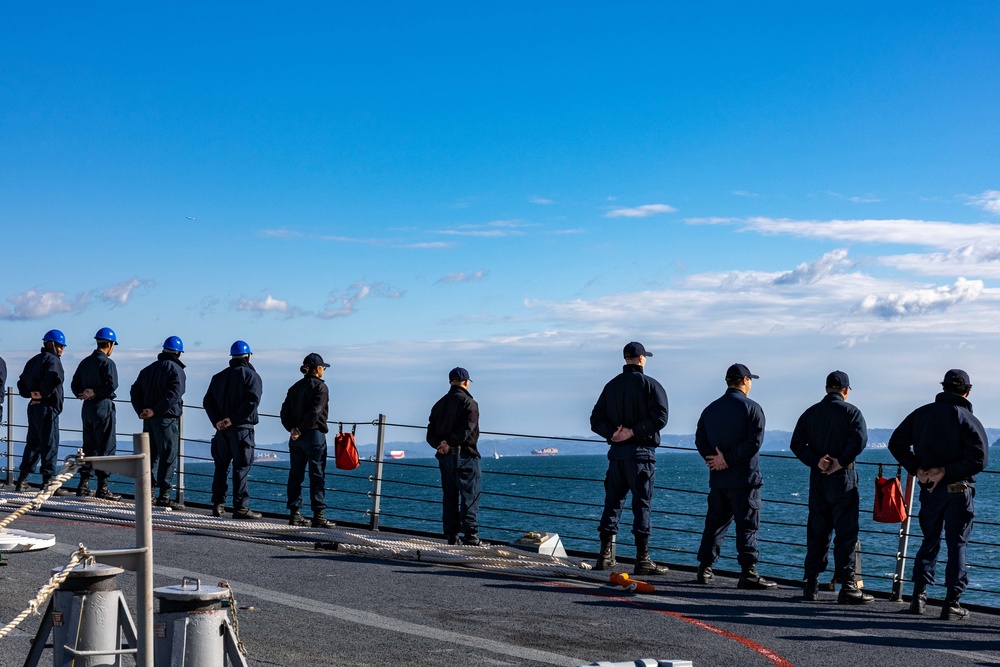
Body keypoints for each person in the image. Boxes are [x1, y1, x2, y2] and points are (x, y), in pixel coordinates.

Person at [888, 369, 989, 621]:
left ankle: (918, 597)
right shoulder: (967, 418)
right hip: (958, 489)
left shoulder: (921, 414)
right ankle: (951, 603)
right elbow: (980, 458)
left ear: (943, 388)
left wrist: (918, 469)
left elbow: (896, 443)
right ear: (967, 391)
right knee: (957, 544)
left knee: (929, 539)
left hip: (930, 489)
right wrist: (947, 471)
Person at [789, 370, 872, 604]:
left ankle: (811, 584)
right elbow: (860, 440)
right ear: (846, 390)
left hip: (818, 478)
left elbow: (796, 444)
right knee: (846, 533)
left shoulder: (810, 413)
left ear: (826, 389)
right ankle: (847, 586)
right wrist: (841, 461)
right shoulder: (852, 412)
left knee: (817, 531)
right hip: (843, 478)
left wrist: (816, 460)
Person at [590, 341, 669, 575]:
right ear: (642, 358)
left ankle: (604, 556)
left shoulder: (611, 386)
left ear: (626, 359)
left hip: (617, 455)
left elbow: (595, 420)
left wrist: (614, 433)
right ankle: (642, 559)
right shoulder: (651, 385)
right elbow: (661, 418)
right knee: (641, 504)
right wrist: (633, 432)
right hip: (641, 454)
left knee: (612, 503)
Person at [695, 363, 776, 590]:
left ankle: (705, 568)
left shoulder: (710, 409)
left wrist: (715, 460)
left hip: (719, 479)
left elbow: (700, 439)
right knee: (748, 526)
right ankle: (748, 572)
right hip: (745, 478)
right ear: (745, 381)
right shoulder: (752, 408)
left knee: (714, 524)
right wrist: (729, 459)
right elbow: (754, 442)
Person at [204, 340, 264, 520]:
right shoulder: (252, 376)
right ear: (248, 356)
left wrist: (217, 421)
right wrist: (233, 420)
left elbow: (208, 402)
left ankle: (218, 504)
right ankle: (240, 507)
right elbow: (252, 402)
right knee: (241, 468)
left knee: (221, 467)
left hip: (221, 431)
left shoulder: (218, 377)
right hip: (242, 429)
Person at [426, 367, 482, 545]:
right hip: (465, 456)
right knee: (470, 495)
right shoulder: (470, 403)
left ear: (450, 382)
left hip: (445, 458)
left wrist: (441, 445)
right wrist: (450, 443)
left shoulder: (438, 404)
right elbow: (467, 429)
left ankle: (452, 535)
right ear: (466, 382)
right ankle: (470, 536)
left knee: (449, 496)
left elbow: (430, 434)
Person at [130, 335, 186, 510]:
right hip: (166, 420)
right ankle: (164, 496)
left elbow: (134, 390)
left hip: (148, 420)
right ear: (178, 353)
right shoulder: (176, 370)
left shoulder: (147, 370)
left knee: (150, 456)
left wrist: (142, 410)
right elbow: (174, 394)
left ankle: (149, 493)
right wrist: (156, 409)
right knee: (168, 455)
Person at [279, 353, 334, 528]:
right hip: (314, 435)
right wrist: (302, 429)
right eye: (323, 368)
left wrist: (293, 429)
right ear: (318, 369)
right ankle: (319, 515)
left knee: (295, 475)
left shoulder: (294, 388)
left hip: (296, 438)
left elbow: (284, 413)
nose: (324, 370)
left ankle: (295, 514)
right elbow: (316, 412)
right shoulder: (321, 387)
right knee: (317, 476)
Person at [15, 330, 69, 495]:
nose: (62, 349)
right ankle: (48, 483)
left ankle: (22, 480)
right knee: (50, 443)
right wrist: (43, 393)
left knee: (33, 443)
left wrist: (31, 394)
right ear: (52, 344)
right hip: (48, 408)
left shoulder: (33, 361)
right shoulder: (53, 361)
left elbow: (21, 384)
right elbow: (55, 378)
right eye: (60, 346)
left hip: (33, 407)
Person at [70, 327, 121, 500]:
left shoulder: (85, 362)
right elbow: (112, 385)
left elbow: (74, 384)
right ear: (109, 344)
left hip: (87, 408)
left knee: (89, 445)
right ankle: (102, 487)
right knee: (106, 446)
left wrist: (84, 394)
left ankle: (83, 485)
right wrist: (96, 393)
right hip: (103, 406)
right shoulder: (108, 363)